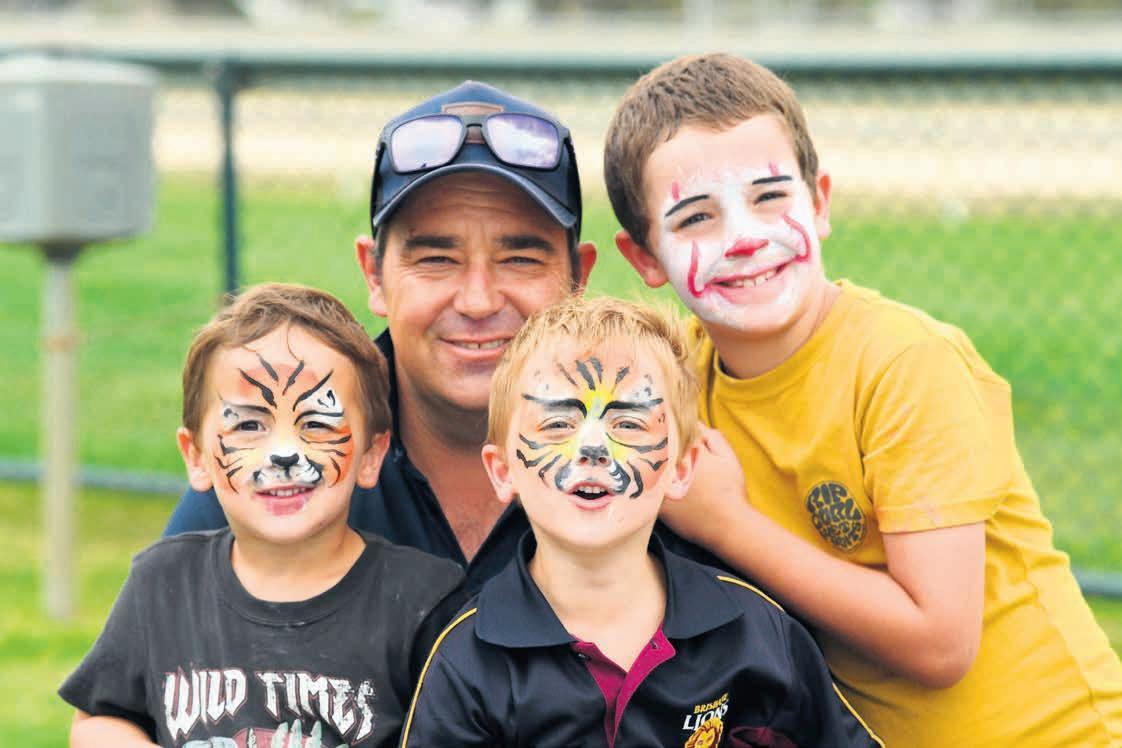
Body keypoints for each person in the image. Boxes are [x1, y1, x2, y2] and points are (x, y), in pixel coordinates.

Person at [606, 53, 1122, 746]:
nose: (745, 238)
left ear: (819, 203)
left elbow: (941, 644)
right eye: (696, 216)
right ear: (643, 257)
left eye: (769, 197)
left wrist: (729, 526)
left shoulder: (903, 364)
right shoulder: (679, 381)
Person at [163, 80, 723, 592]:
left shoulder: (656, 453)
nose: (478, 301)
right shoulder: (291, 439)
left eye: (520, 258)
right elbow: (151, 655)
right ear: (373, 275)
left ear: (578, 277)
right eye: (436, 259)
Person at [400, 296, 883, 748]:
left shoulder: (753, 631)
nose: (592, 448)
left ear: (681, 468)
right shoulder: (468, 661)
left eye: (628, 424)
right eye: (558, 424)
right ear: (503, 471)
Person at [60, 284, 465, 747]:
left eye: (316, 423)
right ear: (196, 456)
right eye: (249, 425)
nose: (284, 453)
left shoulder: (425, 602)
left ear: (372, 454)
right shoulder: (163, 582)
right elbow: (98, 721)